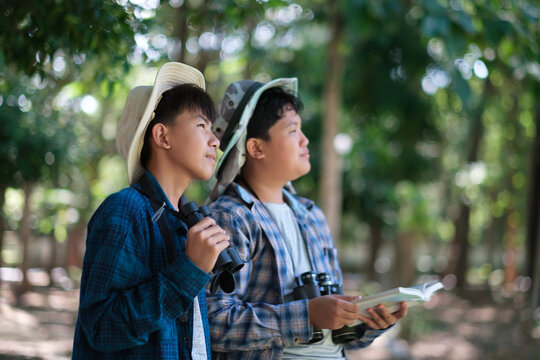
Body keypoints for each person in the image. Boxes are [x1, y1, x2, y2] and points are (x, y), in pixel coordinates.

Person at [205, 78, 408, 359]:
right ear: (256, 148)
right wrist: (307, 314)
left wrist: (368, 323)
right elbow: (214, 322)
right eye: (292, 130)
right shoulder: (231, 218)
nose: (305, 139)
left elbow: (341, 338)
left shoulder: (311, 215)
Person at [72, 62, 230, 359]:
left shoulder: (186, 222)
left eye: (212, 128)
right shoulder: (124, 210)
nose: (215, 140)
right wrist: (190, 271)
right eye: (201, 126)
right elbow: (101, 327)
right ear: (162, 136)